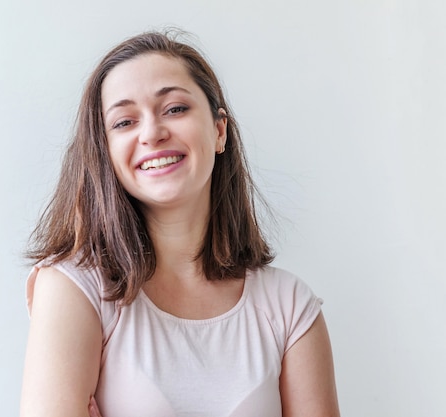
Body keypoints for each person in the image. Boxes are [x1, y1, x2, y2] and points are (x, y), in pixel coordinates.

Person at [20, 30, 340, 417]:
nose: (152, 133)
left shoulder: (289, 306)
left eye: (174, 109)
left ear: (219, 130)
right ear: (104, 150)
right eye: (123, 122)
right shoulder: (75, 288)